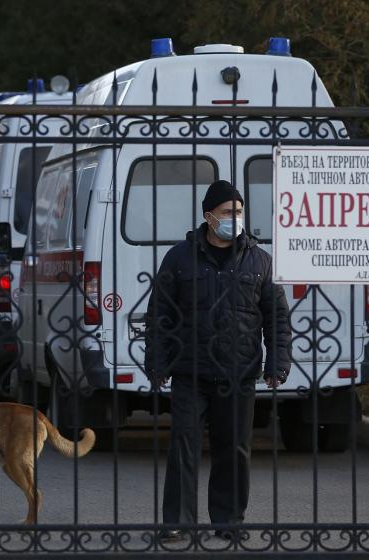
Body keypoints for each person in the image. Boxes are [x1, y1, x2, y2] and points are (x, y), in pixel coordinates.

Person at [144, 179, 291, 543]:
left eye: (239, 212)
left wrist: (277, 364)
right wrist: (157, 363)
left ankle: (228, 520)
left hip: (238, 372)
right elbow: (159, 313)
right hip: (190, 372)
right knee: (183, 447)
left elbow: (277, 317)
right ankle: (177, 521)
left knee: (235, 449)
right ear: (210, 217)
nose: (235, 218)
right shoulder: (179, 258)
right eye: (228, 213)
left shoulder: (260, 260)